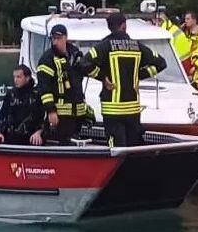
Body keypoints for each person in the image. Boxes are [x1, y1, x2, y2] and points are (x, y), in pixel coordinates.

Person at [79, 13, 167, 147]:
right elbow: (161, 63)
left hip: (112, 109)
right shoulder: (137, 46)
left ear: (109, 28)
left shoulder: (104, 46)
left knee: (115, 149)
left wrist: (102, 77)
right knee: (133, 149)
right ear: (124, 26)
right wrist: (138, 75)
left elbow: (84, 63)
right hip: (133, 109)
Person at [35, 25, 87, 145]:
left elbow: (87, 71)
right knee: (63, 143)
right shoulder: (47, 59)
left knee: (75, 142)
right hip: (60, 113)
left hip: (77, 112)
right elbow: (44, 87)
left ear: (66, 38)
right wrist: (51, 111)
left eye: (58, 38)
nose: (55, 41)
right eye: (53, 39)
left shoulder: (76, 55)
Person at [0, 65, 44, 145]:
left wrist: (39, 132)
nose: (15, 80)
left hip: (31, 137)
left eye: (19, 77)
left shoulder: (37, 96)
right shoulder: (10, 95)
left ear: (27, 78)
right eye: (14, 77)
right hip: (10, 136)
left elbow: (43, 118)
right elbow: (1, 115)